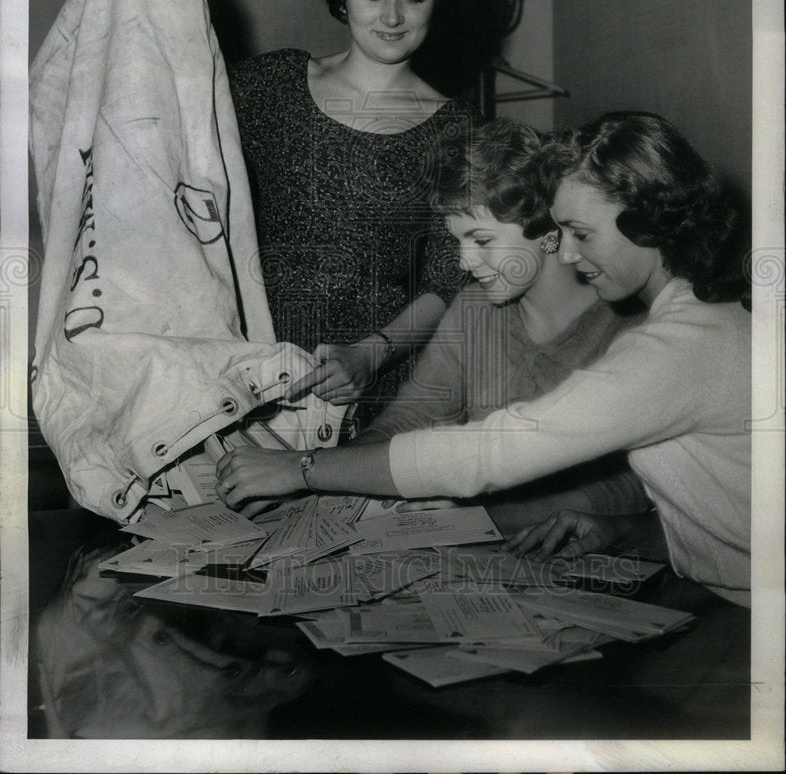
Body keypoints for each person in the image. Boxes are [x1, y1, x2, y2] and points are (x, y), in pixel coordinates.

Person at [216, 111, 751, 607]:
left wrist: (303, 470)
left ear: (648, 222)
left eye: (580, 233)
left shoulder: (666, 342)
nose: (566, 250)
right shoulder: (689, 315)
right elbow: (707, 507)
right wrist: (334, 489)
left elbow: (499, 452)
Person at [109, 0, 476, 429]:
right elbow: (164, 117)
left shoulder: (458, 130)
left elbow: (450, 276)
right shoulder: (272, 85)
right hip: (244, 373)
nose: (393, 16)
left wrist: (372, 353)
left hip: (372, 390)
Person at [353, 117, 650, 529]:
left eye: (483, 240)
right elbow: (412, 418)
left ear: (547, 229)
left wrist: (494, 515)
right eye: (457, 240)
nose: (464, 261)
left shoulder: (631, 326)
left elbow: (637, 482)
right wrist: (318, 474)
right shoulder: (474, 307)